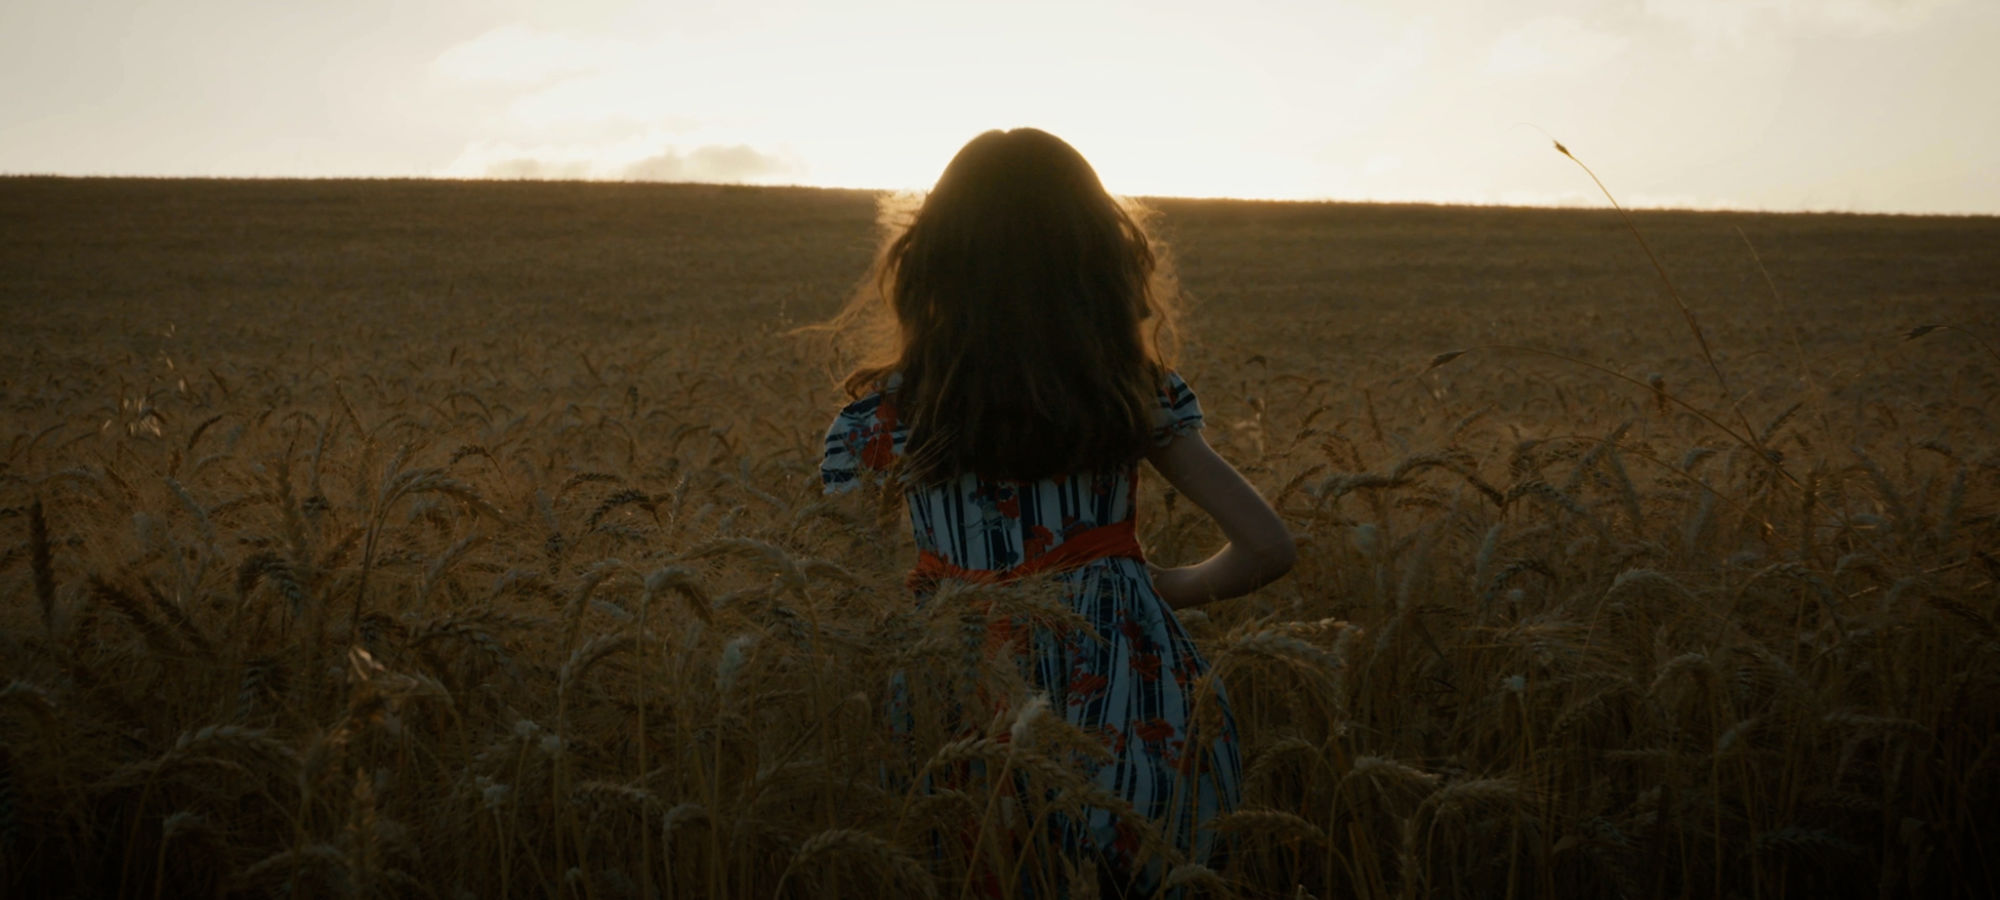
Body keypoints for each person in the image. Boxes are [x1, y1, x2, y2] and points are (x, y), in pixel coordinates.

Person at [816, 127, 1295, 895]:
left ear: (933, 259)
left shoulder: (875, 422)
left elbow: (831, 587)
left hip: (957, 697)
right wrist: (1139, 585)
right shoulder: (1134, 398)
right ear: (1099, 263)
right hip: (1139, 698)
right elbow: (1267, 548)